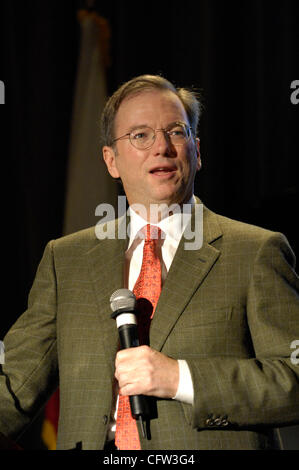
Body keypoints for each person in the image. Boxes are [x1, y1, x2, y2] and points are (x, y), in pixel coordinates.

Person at [0, 74, 299, 450]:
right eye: (140, 135)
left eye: (176, 131)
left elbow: (294, 379)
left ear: (197, 149)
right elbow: (14, 383)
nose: (162, 147)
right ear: (111, 160)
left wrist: (179, 377)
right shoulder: (67, 259)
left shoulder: (255, 251)